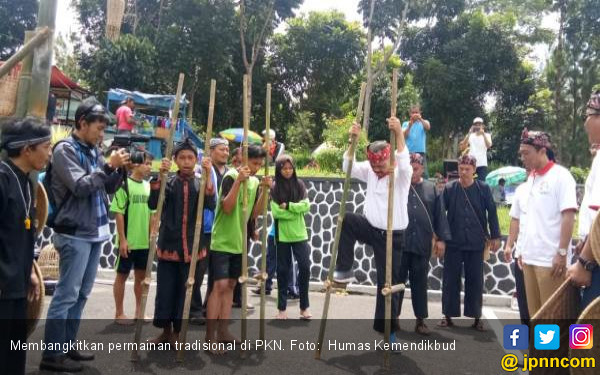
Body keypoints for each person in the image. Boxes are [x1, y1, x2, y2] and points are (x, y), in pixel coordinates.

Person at [41, 100, 129, 372]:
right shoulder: (64, 150)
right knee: (66, 295)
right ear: (82, 123)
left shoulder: (93, 151)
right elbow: (80, 186)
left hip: (94, 232)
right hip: (74, 233)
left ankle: (67, 346)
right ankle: (52, 355)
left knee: (81, 295)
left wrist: (119, 169)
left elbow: (107, 189)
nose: (102, 134)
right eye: (98, 128)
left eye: (104, 129)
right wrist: (106, 167)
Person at [332, 117, 412, 344]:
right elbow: (347, 167)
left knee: (387, 285)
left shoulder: (401, 174)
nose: (377, 170)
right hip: (371, 228)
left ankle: (389, 332)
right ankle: (344, 270)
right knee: (347, 220)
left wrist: (398, 132)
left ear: (389, 160)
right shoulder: (369, 169)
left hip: (393, 235)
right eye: (374, 166)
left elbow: (404, 161)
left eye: (380, 165)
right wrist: (353, 141)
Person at [147, 138, 215, 346]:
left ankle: (178, 334)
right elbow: (153, 203)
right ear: (175, 160)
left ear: (196, 160)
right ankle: (165, 332)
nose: (186, 161)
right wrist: (160, 175)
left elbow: (211, 204)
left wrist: (208, 175)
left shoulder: (200, 182)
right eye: (182, 158)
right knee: (165, 291)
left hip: (193, 248)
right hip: (169, 245)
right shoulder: (168, 181)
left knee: (185, 293)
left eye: (190, 158)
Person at [205, 145, 270, 353]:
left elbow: (254, 213)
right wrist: (239, 182)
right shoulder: (232, 176)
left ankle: (223, 332)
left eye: (260, 164)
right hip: (222, 241)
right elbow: (226, 206)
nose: (257, 168)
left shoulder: (255, 181)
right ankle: (209, 337)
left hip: (240, 242)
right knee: (219, 286)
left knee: (231, 285)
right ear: (244, 159)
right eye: (254, 163)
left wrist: (265, 191)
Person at [0, 118, 51, 375]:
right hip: (2, 286)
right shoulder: (2, 179)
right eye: (46, 146)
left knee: (14, 351)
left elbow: (23, 233)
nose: (50, 152)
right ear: (27, 148)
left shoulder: (26, 182)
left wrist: (29, 270)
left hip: (18, 285)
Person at [512, 129, 577, 316]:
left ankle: (550, 347)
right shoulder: (531, 179)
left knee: (552, 317)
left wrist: (562, 252)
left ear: (542, 151)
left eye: (526, 153)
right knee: (535, 315)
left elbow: (569, 216)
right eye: (521, 153)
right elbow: (526, 217)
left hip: (551, 261)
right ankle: (539, 347)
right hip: (529, 258)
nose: (523, 158)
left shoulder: (561, 176)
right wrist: (522, 249)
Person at [438, 154, 501, 331]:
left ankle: (476, 317)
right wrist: (441, 238)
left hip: (476, 243)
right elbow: (441, 215)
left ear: (474, 170)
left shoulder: (483, 189)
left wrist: (495, 236)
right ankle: (447, 315)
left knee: (475, 281)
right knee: (450, 280)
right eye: (461, 169)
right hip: (454, 243)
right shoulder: (450, 189)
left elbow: (492, 213)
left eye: (467, 169)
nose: (464, 172)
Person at [398, 153, 451, 335]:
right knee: (397, 283)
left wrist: (442, 240)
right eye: (410, 168)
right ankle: (393, 319)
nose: (413, 171)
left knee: (420, 283)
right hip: (401, 243)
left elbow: (439, 216)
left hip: (421, 244)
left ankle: (420, 321)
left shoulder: (431, 189)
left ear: (422, 168)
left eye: (416, 168)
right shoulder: (399, 186)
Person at [110, 151, 154, 325]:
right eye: (147, 163)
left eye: (150, 164)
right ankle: (119, 313)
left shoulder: (149, 186)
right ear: (136, 164)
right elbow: (119, 213)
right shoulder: (124, 185)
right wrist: (123, 240)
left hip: (144, 243)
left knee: (141, 278)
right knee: (121, 276)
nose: (149, 167)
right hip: (128, 242)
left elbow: (153, 214)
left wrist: (152, 237)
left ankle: (139, 311)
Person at [192, 138, 230, 324]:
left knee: (218, 273)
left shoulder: (230, 173)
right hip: (205, 228)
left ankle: (209, 306)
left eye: (227, 150)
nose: (225, 153)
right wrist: (206, 172)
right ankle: (194, 308)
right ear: (212, 151)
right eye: (222, 149)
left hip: (222, 229)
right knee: (199, 270)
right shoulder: (201, 170)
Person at [567, 90, 600, 307]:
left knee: (585, 335)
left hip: (596, 262)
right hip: (593, 252)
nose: (585, 122)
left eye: (587, 115)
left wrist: (585, 263)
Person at [270, 155, 312, 320]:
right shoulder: (274, 187)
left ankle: (304, 307)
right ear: (279, 170)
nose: (287, 171)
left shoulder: (299, 185)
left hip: (300, 234)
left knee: (305, 268)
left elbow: (306, 206)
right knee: (282, 271)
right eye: (284, 168)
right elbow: (276, 213)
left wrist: (289, 206)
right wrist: (296, 211)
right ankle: (282, 309)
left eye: (290, 168)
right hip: (282, 236)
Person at [503, 178, 530, 325]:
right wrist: (509, 245)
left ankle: (546, 345)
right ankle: (528, 338)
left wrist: (562, 251)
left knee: (545, 305)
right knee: (524, 300)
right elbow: (515, 220)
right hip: (522, 255)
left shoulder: (561, 182)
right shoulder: (522, 190)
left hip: (547, 259)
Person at [402, 105, 431, 177]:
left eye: (416, 112)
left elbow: (428, 127)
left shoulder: (423, 122)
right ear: (410, 114)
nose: (415, 114)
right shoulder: (405, 124)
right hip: (409, 152)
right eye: (413, 112)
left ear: (420, 113)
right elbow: (404, 136)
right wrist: (409, 126)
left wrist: (420, 119)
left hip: (421, 153)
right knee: (408, 173)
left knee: (423, 174)